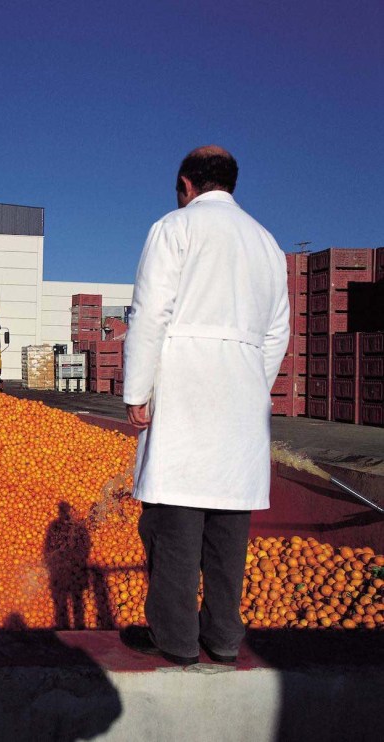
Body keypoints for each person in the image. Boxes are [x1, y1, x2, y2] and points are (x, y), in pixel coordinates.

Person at [120, 146, 290, 665]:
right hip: (240, 398)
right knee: (228, 527)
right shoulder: (267, 243)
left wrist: (137, 391)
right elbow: (278, 332)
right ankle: (222, 637)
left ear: (185, 184)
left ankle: (175, 640)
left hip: (184, 390)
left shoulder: (174, 228)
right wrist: (248, 387)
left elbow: (151, 314)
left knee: (173, 522)